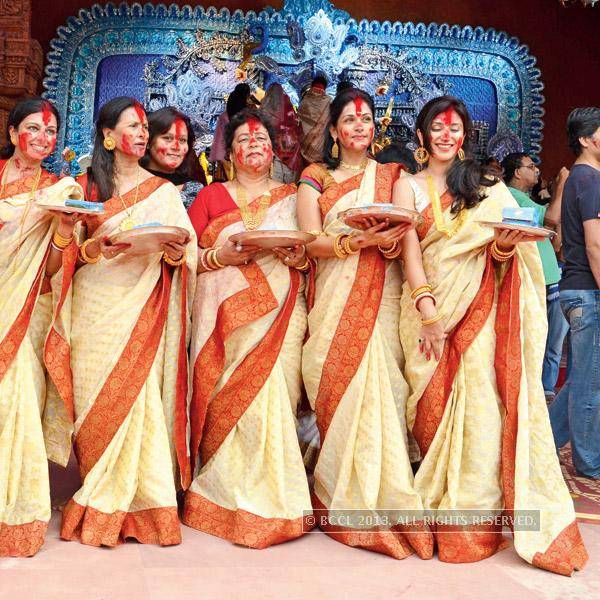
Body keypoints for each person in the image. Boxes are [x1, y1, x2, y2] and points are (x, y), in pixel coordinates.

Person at [393, 95, 587, 575]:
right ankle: (432, 498)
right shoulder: (407, 187)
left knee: (479, 402)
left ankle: (471, 512)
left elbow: (507, 251)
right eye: (436, 128)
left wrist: (501, 250)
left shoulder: (484, 186)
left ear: (464, 137)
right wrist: (428, 309)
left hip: (479, 308)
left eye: (454, 128)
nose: (445, 135)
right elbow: (409, 252)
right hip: (424, 308)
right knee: (429, 404)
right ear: (421, 136)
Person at [297, 88, 433, 560]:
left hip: (382, 297)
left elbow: (403, 231)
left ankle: (386, 496)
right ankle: (341, 496)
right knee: (340, 391)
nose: (360, 126)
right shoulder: (314, 178)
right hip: (333, 298)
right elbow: (307, 242)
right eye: (350, 120)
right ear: (334, 130)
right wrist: (355, 243)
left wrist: (389, 245)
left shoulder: (393, 176)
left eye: (367, 118)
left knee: (381, 392)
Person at [58, 97, 197, 547]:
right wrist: (101, 248)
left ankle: (144, 504)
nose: (141, 134)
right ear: (108, 135)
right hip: (96, 304)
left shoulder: (164, 192)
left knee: (140, 401)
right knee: (97, 399)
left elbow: (187, 250)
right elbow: (68, 250)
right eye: (132, 127)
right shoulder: (85, 187)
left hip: (144, 306)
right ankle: (98, 491)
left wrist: (174, 252)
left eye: (143, 128)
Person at [183, 109, 311, 548]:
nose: (254, 145)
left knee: (273, 395)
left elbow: (311, 256)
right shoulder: (210, 197)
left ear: (273, 149)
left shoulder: (295, 197)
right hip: (225, 319)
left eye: (261, 139)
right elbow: (185, 260)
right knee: (229, 398)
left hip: (281, 313)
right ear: (230, 151)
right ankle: (220, 491)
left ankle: (277, 498)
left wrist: (295, 258)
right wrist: (221, 258)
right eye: (244, 139)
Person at [0, 97, 79, 556]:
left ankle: (16, 511)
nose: (43, 139)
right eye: (33, 129)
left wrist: (65, 232)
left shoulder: (59, 190)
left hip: (26, 309)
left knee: (15, 398)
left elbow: (52, 268)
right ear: (12, 134)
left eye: (51, 132)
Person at [549, 107, 600, 478]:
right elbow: (595, 245)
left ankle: (545, 443)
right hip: (588, 290)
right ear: (585, 139)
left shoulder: (580, 178)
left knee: (582, 376)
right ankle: (588, 462)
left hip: (576, 289)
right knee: (589, 381)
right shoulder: (590, 180)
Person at [501, 152, 568, 399]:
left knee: (550, 341)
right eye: (531, 167)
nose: (537, 171)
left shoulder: (525, 198)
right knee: (543, 340)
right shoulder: (513, 195)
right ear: (517, 172)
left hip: (548, 278)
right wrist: (560, 184)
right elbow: (551, 217)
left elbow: (554, 227)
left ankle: (545, 389)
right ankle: (539, 390)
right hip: (539, 279)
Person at [141, 107, 206, 208]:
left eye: (183, 140)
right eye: (167, 138)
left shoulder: (196, 190)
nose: (176, 147)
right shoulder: (129, 184)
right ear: (148, 142)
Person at [260, 83, 303, 182]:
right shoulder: (286, 102)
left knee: (277, 175)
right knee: (289, 175)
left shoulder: (265, 106)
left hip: (275, 148)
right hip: (290, 146)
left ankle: (278, 192)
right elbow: (296, 122)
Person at [210, 83, 253, 180]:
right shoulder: (247, 116)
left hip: (226, 153)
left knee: (231, 181)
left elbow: (220, 138)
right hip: (242, 153)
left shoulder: (225, 116)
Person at [297, 74, 332, 165]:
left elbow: (299, 119)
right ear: (325, 87)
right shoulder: (328, 101)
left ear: (312, 85)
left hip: (303, 142)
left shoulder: (305, 100)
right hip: (319, 144)